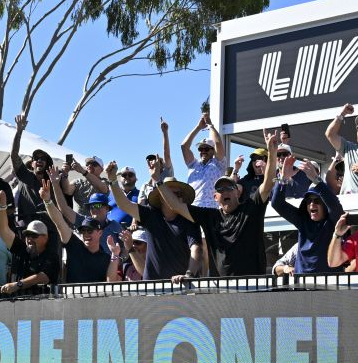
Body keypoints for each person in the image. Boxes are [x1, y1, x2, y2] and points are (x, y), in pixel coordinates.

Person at [164, 129, 277, 278]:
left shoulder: (251, 207)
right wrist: (159, 182)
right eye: (220, 189)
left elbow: (268, 183)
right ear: (215, 196)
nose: (225, 192)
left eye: (229, 187)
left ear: (237, 192)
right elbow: (176, 206)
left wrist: (272, 152)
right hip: (222, 290)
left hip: (253, 287)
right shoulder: (210, 216)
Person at [109, 173, 204, 280]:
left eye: (177, 194)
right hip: (153, 287)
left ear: (182, 198)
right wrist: (112, 180)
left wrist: (189, 275)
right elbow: (124, 204)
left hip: (182, 285)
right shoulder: (150, 214)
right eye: (167, 193)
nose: (172, 198)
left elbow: (196, 249)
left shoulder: (190, 220)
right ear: (160, 197)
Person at [269, 161, 344, 274]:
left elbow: (335, 205)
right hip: (302, 285)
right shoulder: (302, 220)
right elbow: (276, 203)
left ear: (324, 204)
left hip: (329, 285)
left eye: (317, 201)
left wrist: (316, 179)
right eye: (309, 201)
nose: (312, 205)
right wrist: (283, 178)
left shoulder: (333, 222)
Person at [46, 178, 116, 284]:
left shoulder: (106, 258)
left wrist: (115, 255)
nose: (86, 234)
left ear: (100, 233)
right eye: (83, 231)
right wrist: (48, 201)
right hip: (72, 300)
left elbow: (111, 283)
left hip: (98, 300)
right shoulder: (74, 245)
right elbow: (59, 222)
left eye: (90, 231)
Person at [179, 111, 226, 209]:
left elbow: (218, 143)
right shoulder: (193, 165)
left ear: (213, 151)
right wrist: (198, 127)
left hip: (212, 209)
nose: (203, 151)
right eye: (201, 149)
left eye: (207, 149)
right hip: (193, 207)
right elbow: (184, 146)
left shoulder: (218, 164)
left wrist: (210, 126)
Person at [2, 220, 61, 295]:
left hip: (42, 304)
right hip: (16, 303)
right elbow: (2, 230)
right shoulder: (21, 249)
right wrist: (1, 208)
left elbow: (43, 277)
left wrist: (18, 285)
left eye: (34, 235)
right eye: (27, 235)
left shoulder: (52, 256)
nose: (29, 239)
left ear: (45, 237)